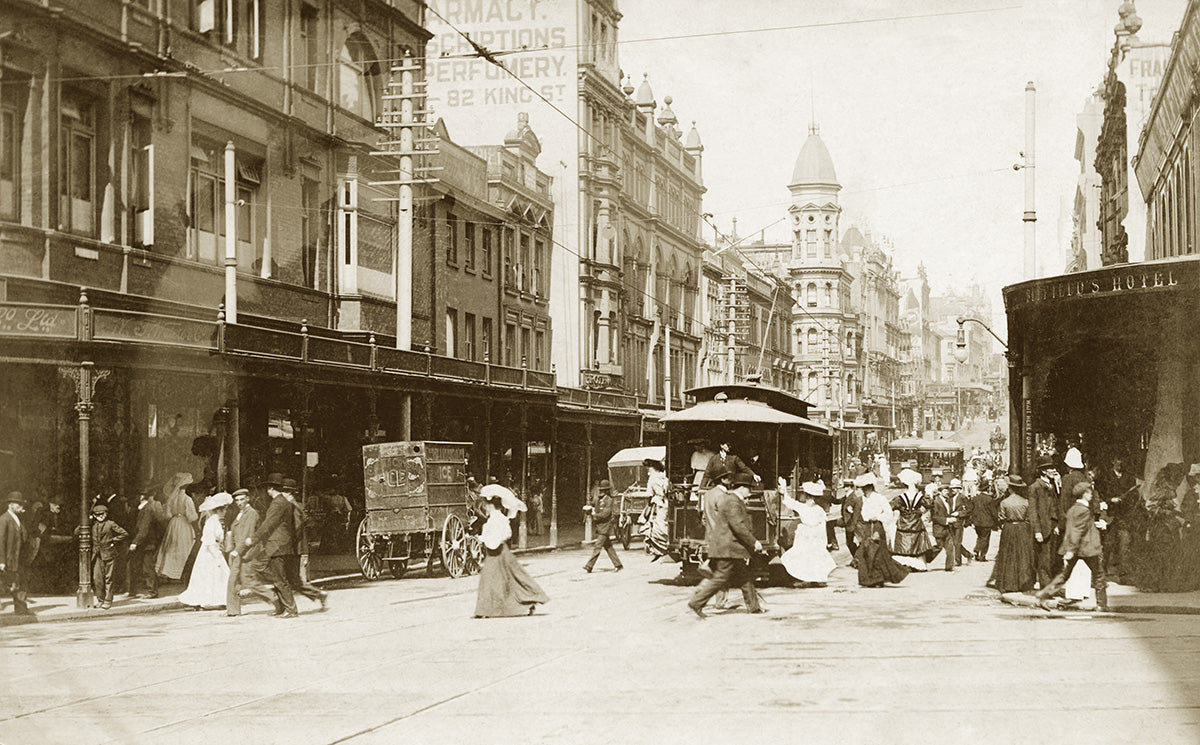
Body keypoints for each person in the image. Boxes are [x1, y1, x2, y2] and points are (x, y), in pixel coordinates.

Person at [687, 471, 764, 618]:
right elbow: (738, 526)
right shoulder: (732, 501)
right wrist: (754, 542)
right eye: (750, 488)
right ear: (742, 487)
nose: (751, 492)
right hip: (728, 548)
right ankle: (697, 602)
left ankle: (754, 607)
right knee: (721, 578)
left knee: (744, 577)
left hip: (729, 548)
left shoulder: (731, 500)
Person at [1036, 481, 1108, 611]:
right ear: (1084, 494)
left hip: (1075, 549)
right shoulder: (1083, 510)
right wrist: (1071, 550)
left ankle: (1044, 596)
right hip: (1086, 548)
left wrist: (1069, 549)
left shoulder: (1073, 509)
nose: (1091, 495)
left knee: (1064, 575)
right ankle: (1101, 605)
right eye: (1089, 492)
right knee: (1099, 575)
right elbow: (1077, 531)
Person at [474, 495, 549, 617]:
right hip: (495, 552)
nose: (486, 508)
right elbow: (506, 533)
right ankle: (485, 609)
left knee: (504, 579)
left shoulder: (496, 519)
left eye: (487, 506)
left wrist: (485, 538)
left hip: (498, 552)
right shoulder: (498, 518)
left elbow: (505, 534)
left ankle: (527, 602)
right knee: (494, 579)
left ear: (491, 506)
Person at [246, 473, 301, 617]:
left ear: (270, 488)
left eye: (267, 489)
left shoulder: (277, 503)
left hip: (277, 545)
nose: (267, 492)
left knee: (279, 578)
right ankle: (282, 608)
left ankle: (291, 609)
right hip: (281, 544)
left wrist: (253, 539)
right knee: (275, 576)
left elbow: (268, 524)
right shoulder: (284, 502)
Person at [224, 488, 277, 616]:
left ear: (248, 499)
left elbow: (247, 534)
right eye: (237, 500)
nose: (239, 502)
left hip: (246, 553)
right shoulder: (240, 513)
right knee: (234, 581)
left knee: (248, 582)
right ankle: (232, 610)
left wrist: (237, 551)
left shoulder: (251, 513)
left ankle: (276, 600)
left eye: (242, 499)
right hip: (239, 552)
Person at [280, 478, 328, 610]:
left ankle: (318, 594)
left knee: (292, 579)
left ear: (289, 493)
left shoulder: (294, 506)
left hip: (297, 548)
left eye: (283, 492)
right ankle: (318, 595)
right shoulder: (293, 505)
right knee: (291, 579)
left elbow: (296, 527)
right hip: (295, 548)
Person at [179, 492, 232, 610]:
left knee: (217, 577)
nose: (225, 512)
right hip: (210, 553)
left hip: (214, 550)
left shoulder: (216, 521)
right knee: (211, 576)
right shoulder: (212, 522)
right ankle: (204, 601)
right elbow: (209, 540)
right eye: (224, 510)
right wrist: (217, 555)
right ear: (218, 510)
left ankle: (218, 600)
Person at [855, 479, 910, 588]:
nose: (864, 492)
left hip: (877, 526)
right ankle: (870, 579)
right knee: (867, 552)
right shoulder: (863, 500)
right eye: (863, 490)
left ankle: (878, 578)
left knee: (877, 553)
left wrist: (878, 517)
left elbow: (888, 513)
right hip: (867, 527)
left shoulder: (880, 498)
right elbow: (863, 513)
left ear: (870, 488)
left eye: (865, 489)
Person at [779, 481, 836, 585]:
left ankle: (812, 579)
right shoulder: (817, 510)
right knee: (809, 558)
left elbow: (791, 503)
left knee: (806, 557)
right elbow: (792, 503)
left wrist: (784, 492)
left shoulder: (811, 509)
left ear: (809, 497)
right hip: (809, 538)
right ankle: (813, 579)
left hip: (808, 537)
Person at [989, 475, 1036, 593]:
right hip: (1023, 529)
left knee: (1008, 554)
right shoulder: (1026, 502)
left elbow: (1001, 517)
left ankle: (1009, 583)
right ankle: (1024, 583)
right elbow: (1029, 518)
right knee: (1023, 555)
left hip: (1009, 528)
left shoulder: (1005, 502)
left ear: (1010, 488)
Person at [1097, 457, 1138, 582]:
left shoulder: (1129, 477)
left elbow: (1134, 496)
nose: (1120, 463)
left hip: (1124, 516)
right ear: (1112, 462)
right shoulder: (1105, 477)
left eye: (1121, 461)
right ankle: (1101, 574)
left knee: (1124, 545)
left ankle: (1124, 575)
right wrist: (1111, 500)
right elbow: (1101, 495)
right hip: (1110, 515)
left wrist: (1127, 502)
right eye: (1117, 461)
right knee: (1107, 545)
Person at [1028, 456, 1062, 590]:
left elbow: (1058, 504)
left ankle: (1051, 587)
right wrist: (1037, 531)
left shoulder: (1053, 485)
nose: (1054, 470)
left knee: (1053, 559)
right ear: (1043, 471)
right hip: (1043, 528)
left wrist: (1058, 485)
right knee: (1044, 561)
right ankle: (1045, 588)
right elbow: (1033, 511)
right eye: (1050, 468)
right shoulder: (1035, 487)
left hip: (1053, 526)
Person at [156, 472, 198, 581]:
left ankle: (170, 573)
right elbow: (191, 516)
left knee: (172, 548)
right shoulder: (187, 499)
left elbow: (168, 515)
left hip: (173, 524)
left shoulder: (172, 498)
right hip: (184, 524)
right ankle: (181, 573)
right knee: (184, 548)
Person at [891, 468, 934, 571]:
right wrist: (920, 512)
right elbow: (929, 505)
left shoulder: (900, 497)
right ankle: (918, 565)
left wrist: (901, 510)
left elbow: (891, 506)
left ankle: (904, 564)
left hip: (903, 524)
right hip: (916, 523)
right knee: (917, 543)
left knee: (903, 543)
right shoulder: (920, 496)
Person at [127, 483, 165, 599]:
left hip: (146, 544)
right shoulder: (140, 509)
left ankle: (152, 591)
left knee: (147, 567)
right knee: (136, 566)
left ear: (141, 497)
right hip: (142, 543)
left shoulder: (148, 510)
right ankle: (133, 591)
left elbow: (144, 529)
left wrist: (135, 542)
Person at [0, 492, 34, 615]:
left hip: (20, 559)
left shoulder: (18, 519)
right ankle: (20, 608)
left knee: (22, 582)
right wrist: (2, 561)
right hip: (11, 559)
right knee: (14, 584)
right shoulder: (4, 519)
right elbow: (1, 541)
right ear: (11, 505)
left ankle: (22, 608)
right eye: (19, 505)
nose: (22, 507)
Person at [90, 502, 129, 609]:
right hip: (97, 555)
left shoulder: (110, 524)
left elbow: (124, 533)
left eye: (102, 514)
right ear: (94, 515)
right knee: (97, 579)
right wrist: (85, 521)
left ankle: (108, 600)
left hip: (109, 554)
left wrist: (113, 541)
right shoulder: (92, 525)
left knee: (109, 578)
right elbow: (77, 532)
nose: (100, 516)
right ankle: (100, 600)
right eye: (97, 515)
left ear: (106, 514)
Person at [583, 479, 623, 573]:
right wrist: (588, 507)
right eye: (600, 490)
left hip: (605, 527)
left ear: (606, 491)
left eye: (602, 490)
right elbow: (593, 504)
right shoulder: (598, 499)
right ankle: (618, 564)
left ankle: (589, 566)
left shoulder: (609, 501)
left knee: (597, 546)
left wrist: (594, 515)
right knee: (608, 547)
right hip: (600, 527)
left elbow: (605, 514)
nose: (600, 492)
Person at [930, 478, 970, 572]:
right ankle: (925, 557)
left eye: (955, 488)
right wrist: (947, 520)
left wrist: (959, 514)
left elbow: (969, 510)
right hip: (943, 526)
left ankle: (952, 565)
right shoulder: (940, 501)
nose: (949, 491)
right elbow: (935, 516)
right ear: (940, 492)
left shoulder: (962, 498)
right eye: (946, 490)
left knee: (953, 545)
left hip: (956, 523)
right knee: (940, 546)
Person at [639, 459, 670, 560]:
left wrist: (648, 506)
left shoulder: (652, 478)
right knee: (664, 524)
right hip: (666, 502)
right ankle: (664, 546)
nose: (648, 470)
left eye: (649, 468)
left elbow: (649, 493)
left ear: (653, 468)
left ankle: (659, 549)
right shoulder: (664, 477)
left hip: (657, 503)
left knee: (655, 526)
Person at [971, 471, 1000, 561]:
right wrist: (997, 522)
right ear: (987, 489)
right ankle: (981, 555)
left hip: (977, 522)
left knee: (980, 537)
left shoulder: (975, 498)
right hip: (987, 522)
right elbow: (993, 512)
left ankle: (977, 552)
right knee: (985, 539)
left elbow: (972, 510)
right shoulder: (989, 499)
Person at [842, 473, 869, 561]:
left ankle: (858, 559)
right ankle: (858, 558)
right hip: (848, 522)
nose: (845, 488)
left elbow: (856, 513)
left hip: (854, 523)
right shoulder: (849, 496)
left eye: (846, 487)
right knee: (849, 543)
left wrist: (852, 525)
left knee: (859, 542)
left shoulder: (854, 498)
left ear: (850, 487)